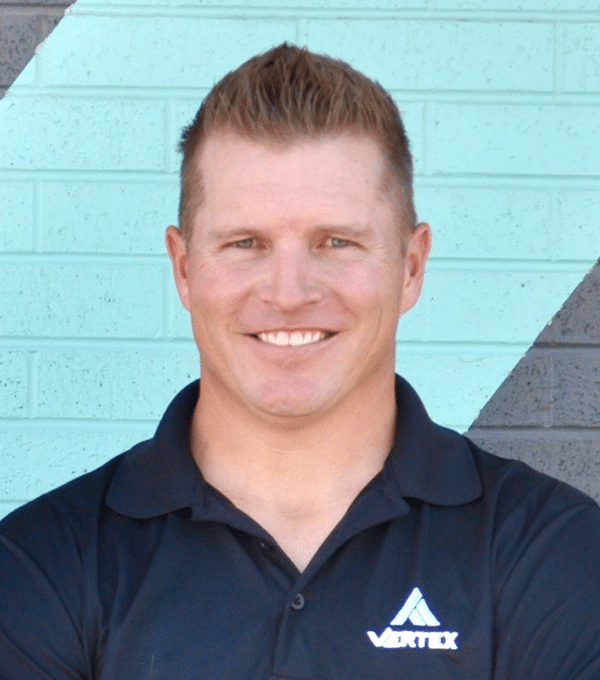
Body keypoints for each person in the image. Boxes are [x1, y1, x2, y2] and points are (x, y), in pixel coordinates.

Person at [1, 43, 600, 680]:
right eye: (245, 243)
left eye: (336, 242)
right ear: (184, 269)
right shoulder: (44, 565)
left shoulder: (554, 553)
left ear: (410, 267)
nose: (289, 292)